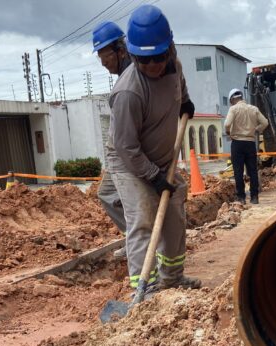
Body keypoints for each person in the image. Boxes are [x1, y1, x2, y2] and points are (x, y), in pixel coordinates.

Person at [106, 4, 201, 291]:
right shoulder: (128, 92)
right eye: (144, 61)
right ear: (133, 56)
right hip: (130, 164)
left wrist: (184, 100)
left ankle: (172, 279)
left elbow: (178, 85)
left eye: (159, 57)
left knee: (173, 220)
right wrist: (153, 178)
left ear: (170, 48)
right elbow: (126, 146)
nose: (153, 66)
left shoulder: (175, 65)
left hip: (162, 160)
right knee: (143, 220)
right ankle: (143, 291)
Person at [92, 21, 133, 257]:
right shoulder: (123, 78)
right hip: (117, 157)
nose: (104, 64)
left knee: (133, 204)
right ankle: (133, 236)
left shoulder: (131, 80)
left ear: (120, 49)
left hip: (127, 157)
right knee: (107, 194)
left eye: (105, 58)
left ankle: (140, 241)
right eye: (100, 59)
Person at [224, 88, 268, 204]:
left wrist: (229, 132)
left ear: (232, 99)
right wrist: (256, 130)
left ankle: (241, 198)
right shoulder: (253, 109)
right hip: (250, 143)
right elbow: (265, 122)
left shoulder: (233, 109)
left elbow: (227, 124)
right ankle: (254, 197)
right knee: (252, 171)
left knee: (238, 172)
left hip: (237, 143)